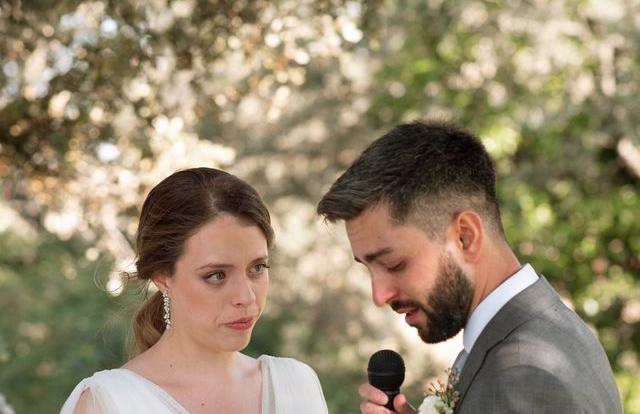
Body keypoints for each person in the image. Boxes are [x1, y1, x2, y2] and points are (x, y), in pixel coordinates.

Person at [317, 120, 623, 414]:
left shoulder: (525, 375)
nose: (379, 295)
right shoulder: (546, 332)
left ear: (465, 237)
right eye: (368, 269)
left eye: (394, 264)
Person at [61, 167, 328, 414]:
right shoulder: (108, 403)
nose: (246, 297)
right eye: (216, 275)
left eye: (257, 267)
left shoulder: (297, 385)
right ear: (162, 276)